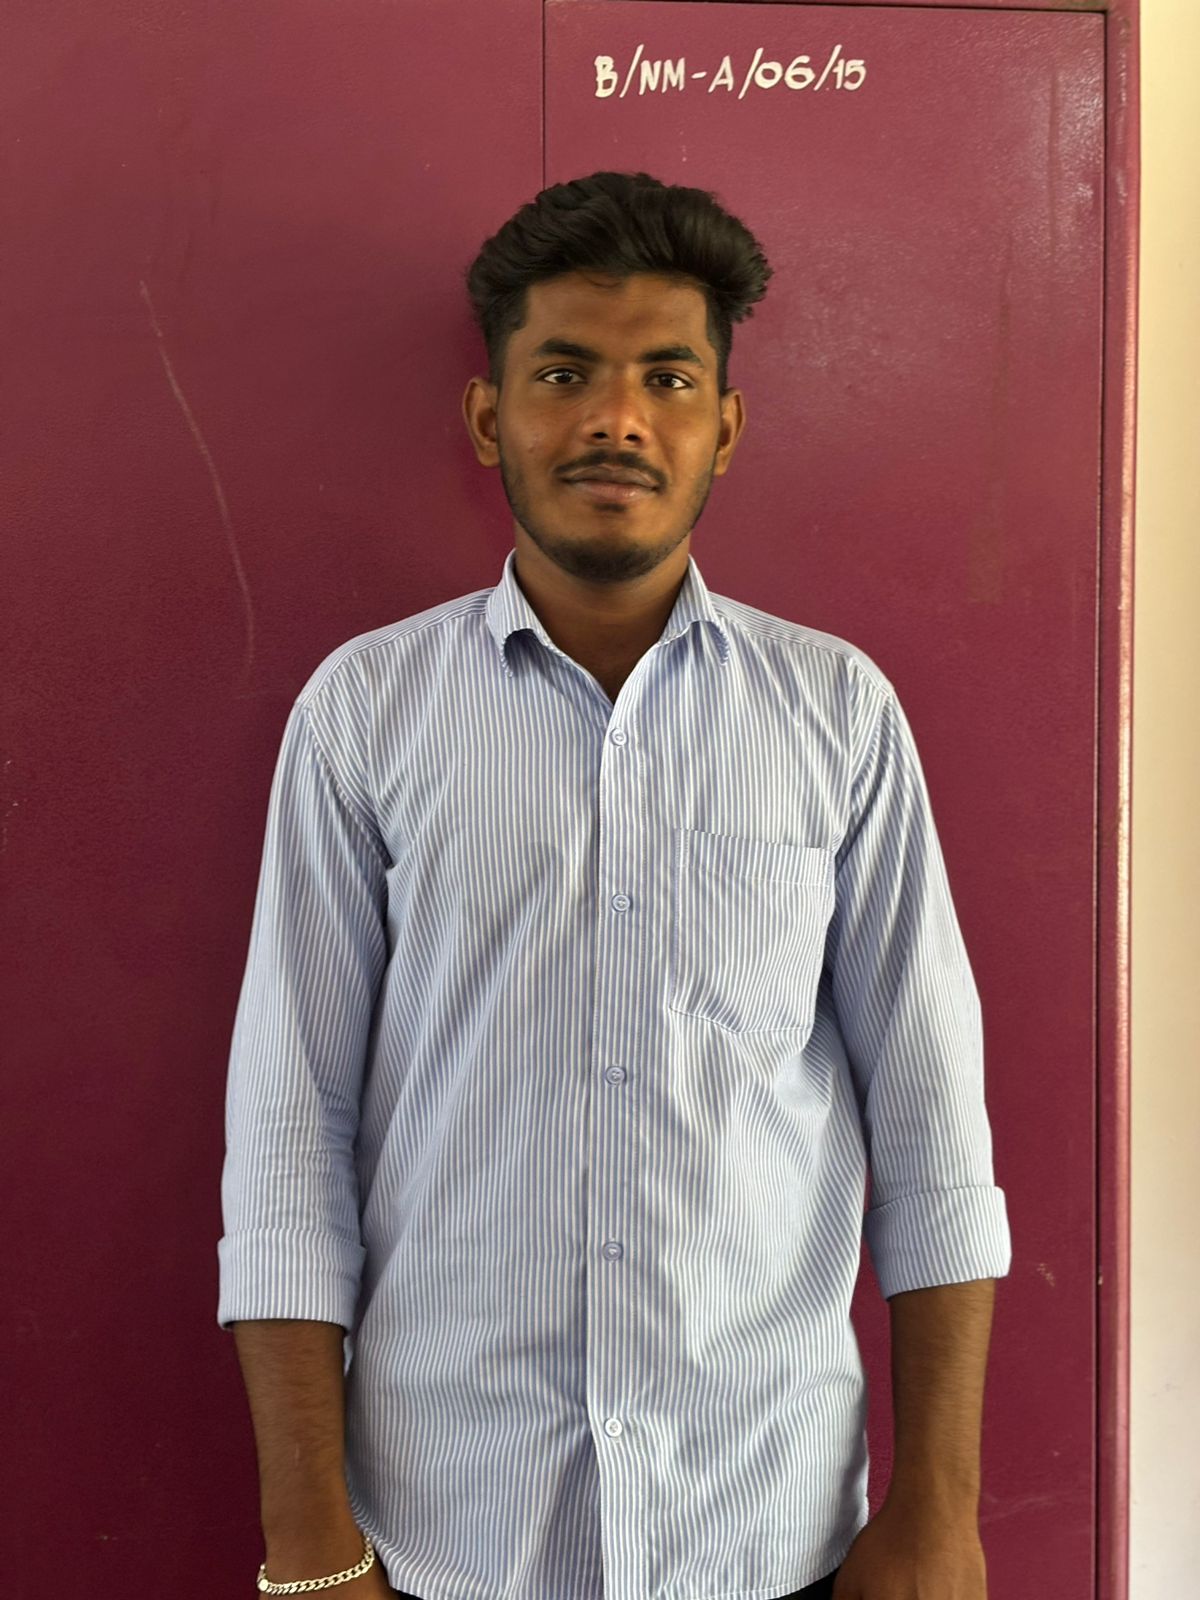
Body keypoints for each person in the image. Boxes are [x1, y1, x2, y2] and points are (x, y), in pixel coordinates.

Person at [218, 170, 1012, 1600]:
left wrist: (940, 1513)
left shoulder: (837, 715)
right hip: (450, 1532)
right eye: (564, 373)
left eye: (668, 379)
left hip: (765, 1527)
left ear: (725, 428)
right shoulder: (364, 715)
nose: (617, 420)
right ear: (489, 418)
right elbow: (288, 1134)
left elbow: (931, 1118)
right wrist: (307, 1544)